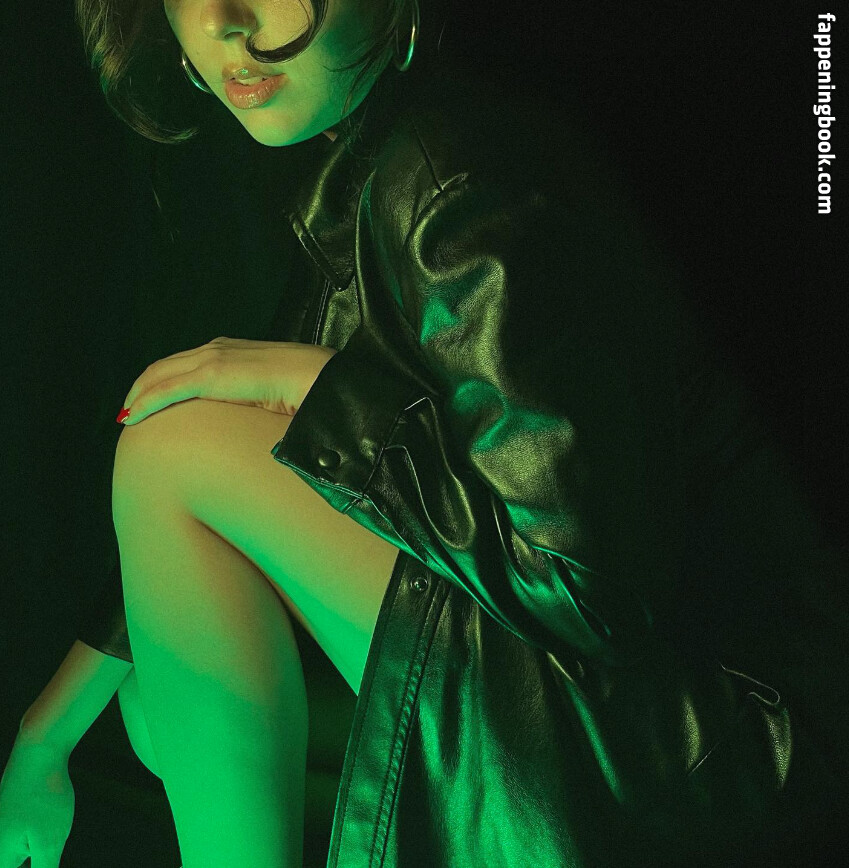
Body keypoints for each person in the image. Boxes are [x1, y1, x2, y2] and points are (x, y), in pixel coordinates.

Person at [2, 2, 848, 867]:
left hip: (719, 740)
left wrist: (319, 389)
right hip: (621, 693)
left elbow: (585, 591)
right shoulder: (374, 158)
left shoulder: (455, 174)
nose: (223, 21)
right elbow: (205, 524)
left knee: (174, 449)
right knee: (165, 679)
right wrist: (44, 741)